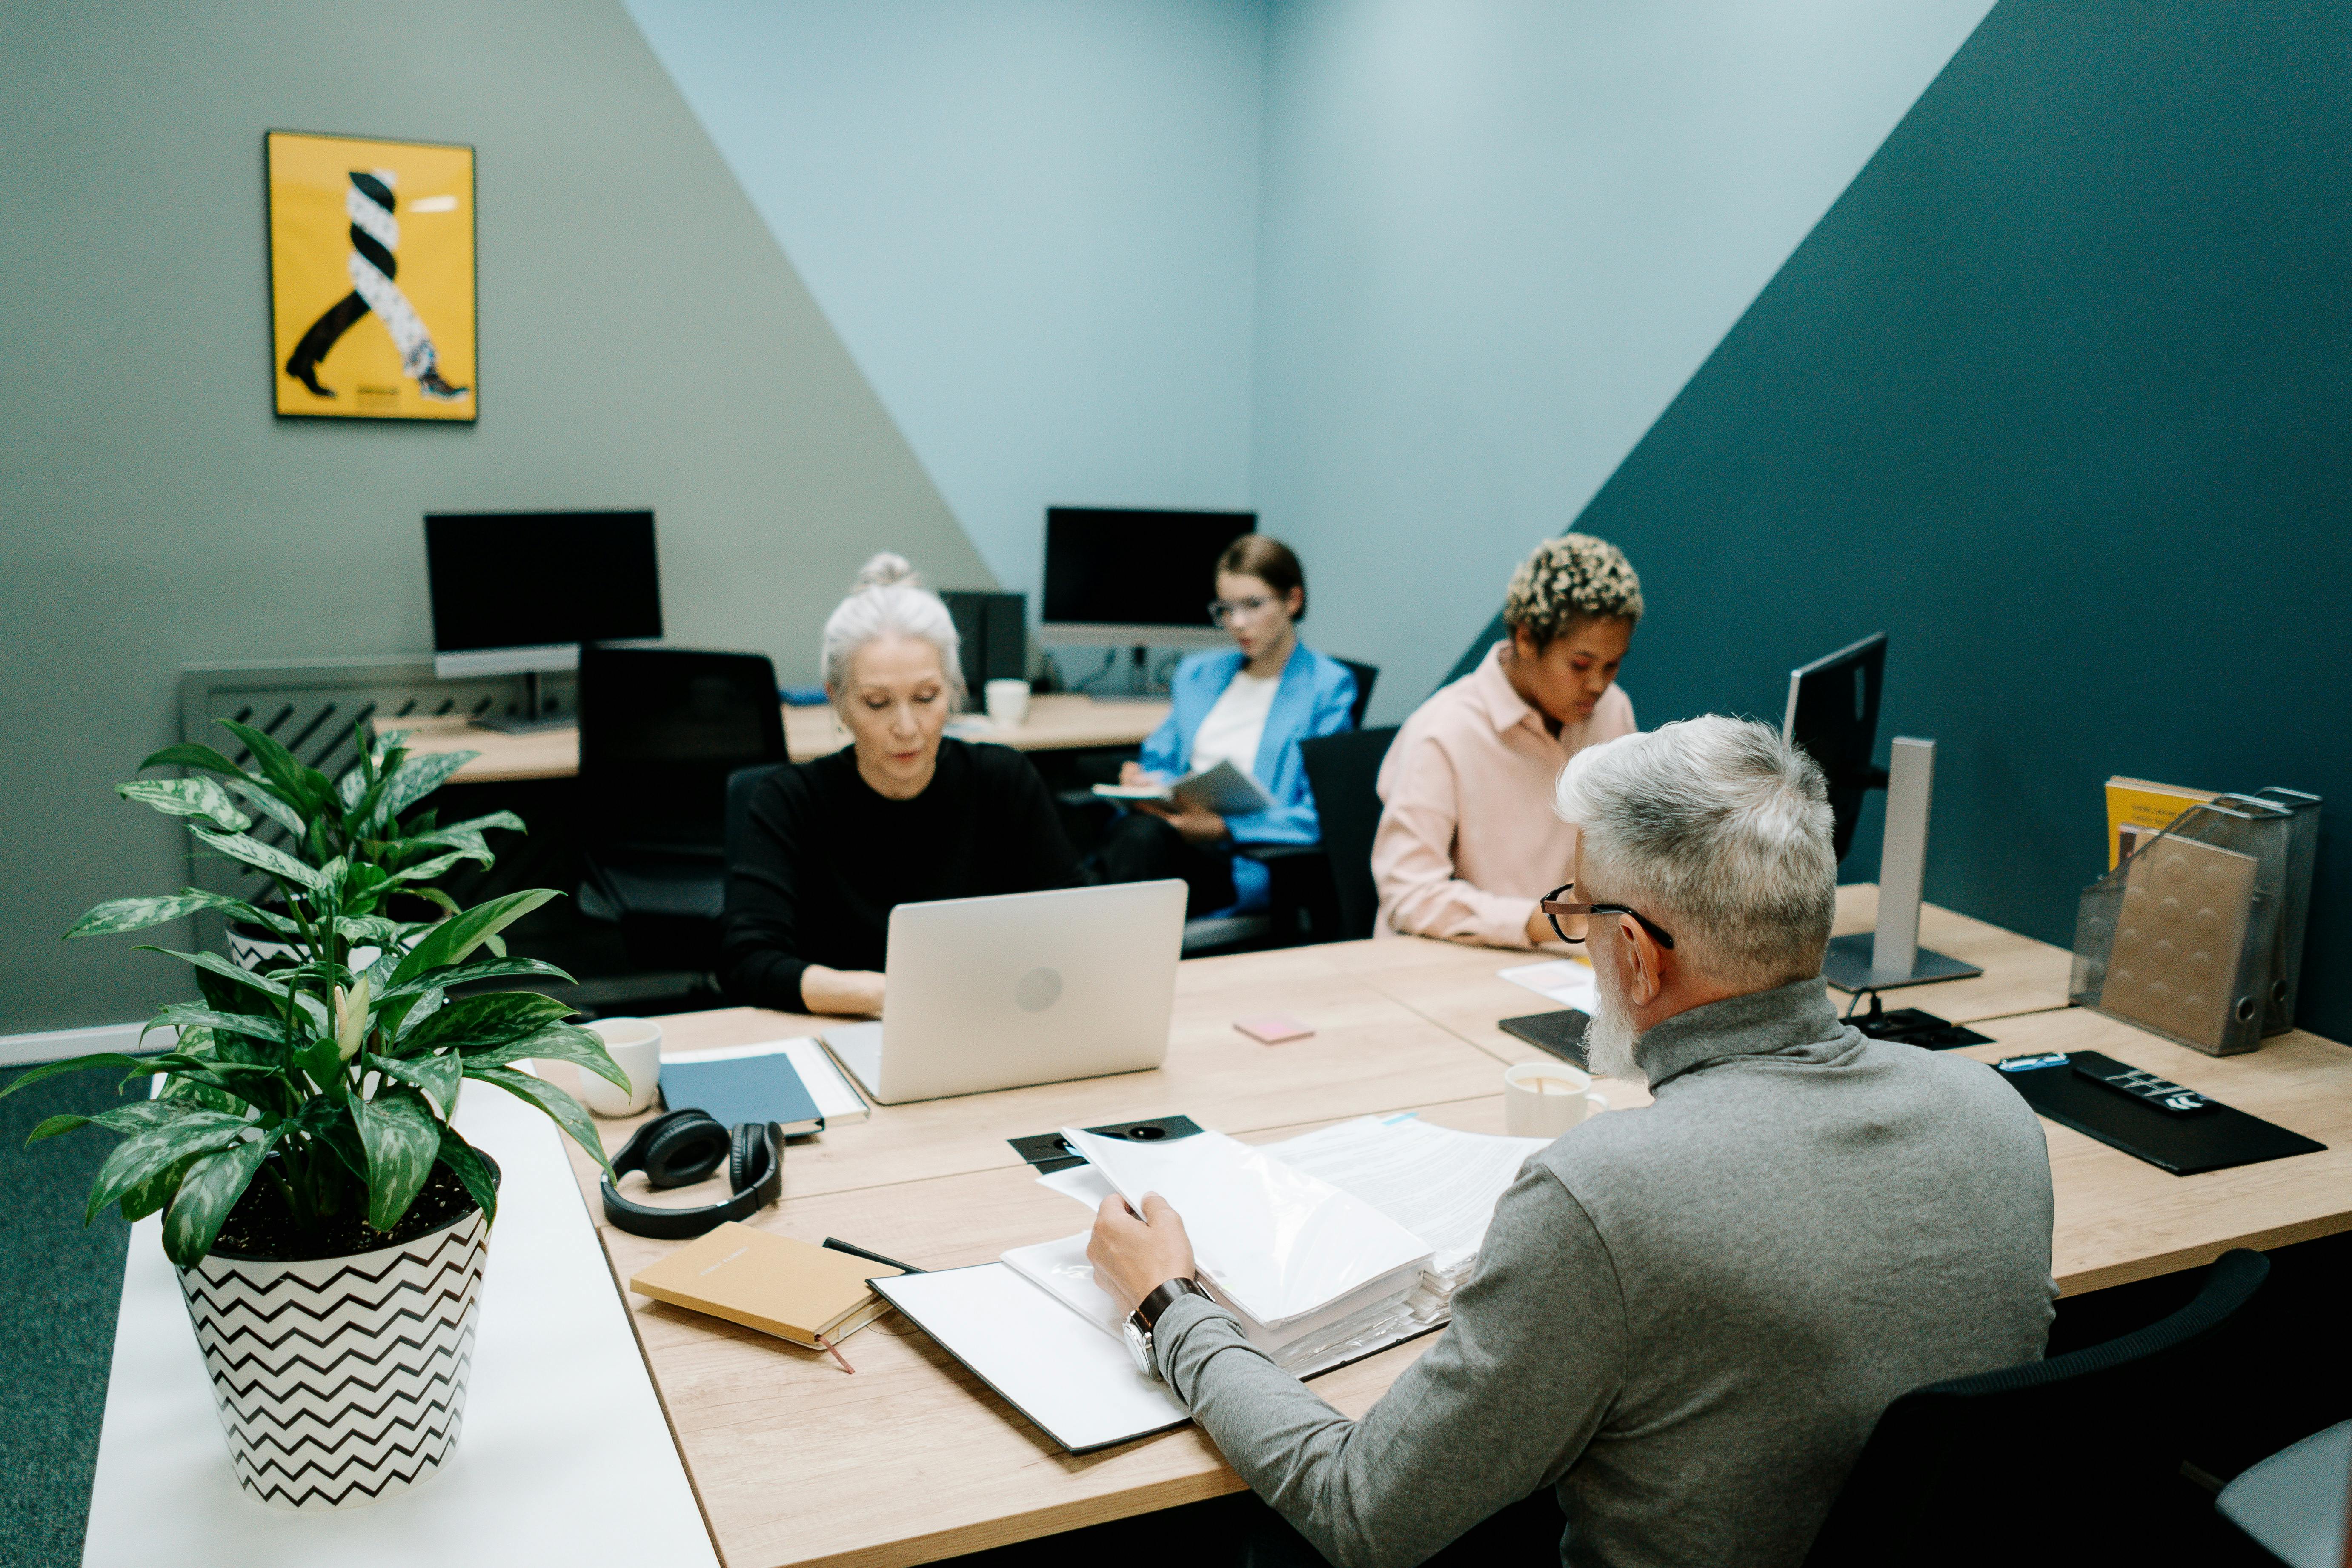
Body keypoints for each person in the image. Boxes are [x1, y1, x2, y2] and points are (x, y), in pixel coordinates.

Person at [1087, 717, 2057, 1568]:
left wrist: (1171, 1304)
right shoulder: (1993, 1115)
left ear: (1634, 955)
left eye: (1579, 911)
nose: (1576, 935)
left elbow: (1360, 1512)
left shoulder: (1606, 1195)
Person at [718, 553, 1081, 1016]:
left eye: (927, 698)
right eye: (877, 703)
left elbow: (1074, 924)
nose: (907, 727)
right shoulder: (790, 801)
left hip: (983, 1022)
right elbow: (747, 961)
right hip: (835, 1032)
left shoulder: (1002, 781)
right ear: (838, 700)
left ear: (953, 688)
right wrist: (890, 997)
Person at [1372, 534, 1641, 949]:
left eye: (1613, 666)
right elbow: (1409, 896)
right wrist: (1544, 921)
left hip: (1569, 962)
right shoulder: (1441, 732)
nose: (1598, 685)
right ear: (1527, 639)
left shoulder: (1612, 711)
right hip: (1456, 960)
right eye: (1581, 664)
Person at [1092, 535, 1358, 918]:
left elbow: (1318, 815)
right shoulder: (1200, 673)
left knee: (1131, 846)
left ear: (1292, 601)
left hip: (1240, 856)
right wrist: (1145, 780)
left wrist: (1221, 827)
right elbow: (1160, 757)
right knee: (1126, 837)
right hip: (1170, 836)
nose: (1238, 624)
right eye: (1226, 609)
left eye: (1253, 605)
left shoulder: (1326, 687)